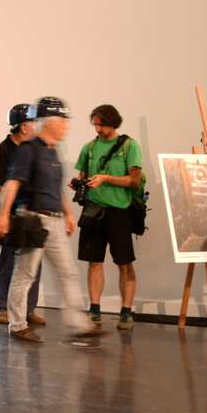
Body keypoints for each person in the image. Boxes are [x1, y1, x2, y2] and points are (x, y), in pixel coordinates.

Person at [0, 97, 103, 344]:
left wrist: (68, 213)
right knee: (25, 274)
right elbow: (12, 184)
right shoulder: (28, 150)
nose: (67, 126)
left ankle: (79, 324)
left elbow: (57, 188)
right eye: (63, 121)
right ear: (50, 123)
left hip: (53, 222)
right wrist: (2, 215)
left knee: (67, 272)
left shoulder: (53, 152)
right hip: (33, 220)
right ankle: (17, 325)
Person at [73, 104, 143, 330]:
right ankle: (94, 309)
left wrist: (105, 178)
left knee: (125, 263)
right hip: (93, 210)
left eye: (101, 124)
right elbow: (82, 175)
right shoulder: (89, 148)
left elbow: (133, 180)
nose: (97, 128)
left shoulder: (129, 146)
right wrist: (78, 184)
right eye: (95, 124)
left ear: (113, 122)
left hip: (119, 212)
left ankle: (126, 311)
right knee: (94, 262)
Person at [0, 104, 45, 327]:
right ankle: (4, 308)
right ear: (23, 126)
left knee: (33, 265)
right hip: (11, 216)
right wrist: (6, 214)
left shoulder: (32, 150)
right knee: (9, 262)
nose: (35, 127)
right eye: (32, 122)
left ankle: (28, 309)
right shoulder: (1, 152)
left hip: (32, 216)